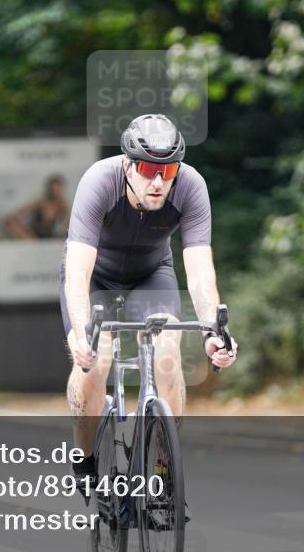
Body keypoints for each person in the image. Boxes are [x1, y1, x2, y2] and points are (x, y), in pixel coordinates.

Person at [59, 113, 238, 496]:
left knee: (167, 353)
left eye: (168, 171)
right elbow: (77, 272)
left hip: (150, 274)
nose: (158, 182)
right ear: (127, 165)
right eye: (146, 169)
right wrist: (82, 334)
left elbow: (200, 269)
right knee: (97, 358)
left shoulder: (190, 187)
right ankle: (85, 454)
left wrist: (212, 332)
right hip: (96, 277)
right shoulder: (99, 182)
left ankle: (162, 468)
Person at [2, 174, 70, 239]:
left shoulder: (63, 206)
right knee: (10, 222)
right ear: (49, 189)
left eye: (57, 189)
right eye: (53, 189)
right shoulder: (40, 202)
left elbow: (64, 228)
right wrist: (27, 235)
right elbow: (16, 214)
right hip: (33, 235)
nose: (55, 192)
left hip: (49, 236)